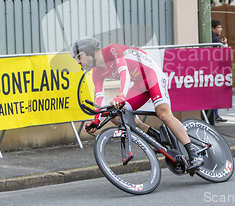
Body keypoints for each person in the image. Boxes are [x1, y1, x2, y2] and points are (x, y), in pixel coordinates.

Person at [71, 37, 204, 171]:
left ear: (91, 51)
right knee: (115, 115)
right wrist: (95, 121)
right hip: (139, 86)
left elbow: (125, 74)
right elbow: (99, 97)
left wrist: (122, 95)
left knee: (163, 114)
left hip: (152, 75)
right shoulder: (96, 73)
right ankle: (155, 135)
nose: (79, 62)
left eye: (79, 57)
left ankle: (194, 153)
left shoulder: (112, 50)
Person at [211, 19, 228, 123]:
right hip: (216, 69)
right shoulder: (216, 40)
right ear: (213, 29)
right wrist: (224, 44)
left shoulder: (216, 39)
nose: (221, 29)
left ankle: (215, 114)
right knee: (215, 92)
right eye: (219, 27)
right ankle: (215, 114)